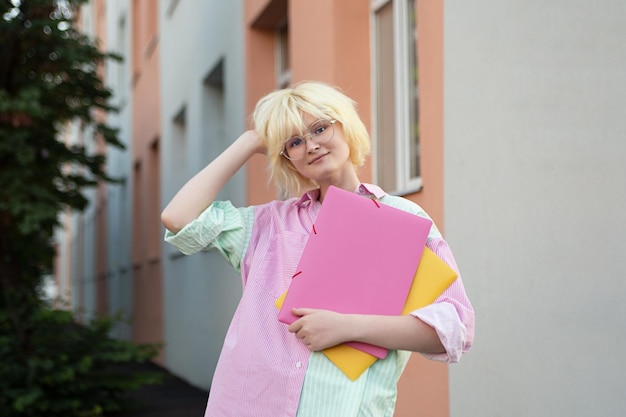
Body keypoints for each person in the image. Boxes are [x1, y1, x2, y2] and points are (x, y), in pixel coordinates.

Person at [161, 81, 474, 417]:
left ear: (345, 125)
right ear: (287, 158)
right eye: (294, 142)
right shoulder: (268, 224)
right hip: (248, 404)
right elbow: (178, 218)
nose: (310, 145)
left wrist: (347, 327)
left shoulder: (403, 219)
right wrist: (250, 141)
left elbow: (454, 328)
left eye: (320, 128)